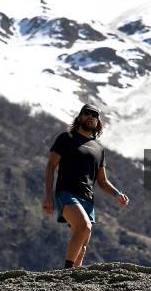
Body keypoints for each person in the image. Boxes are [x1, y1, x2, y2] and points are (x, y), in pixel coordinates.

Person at [43, 104, 129, 268]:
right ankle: (66, 273)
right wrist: (48, 195)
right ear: (80, 116)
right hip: (67, 193)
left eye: (94, 115)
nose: (90, 116)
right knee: (84, 226)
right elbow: (51, 166)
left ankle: (71, 282)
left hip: (87, 199)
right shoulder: (66, 138)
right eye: (87, 113)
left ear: (98, 122)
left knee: (82, 244)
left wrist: (117, 194)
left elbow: (102, 181)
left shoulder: (99, 149)